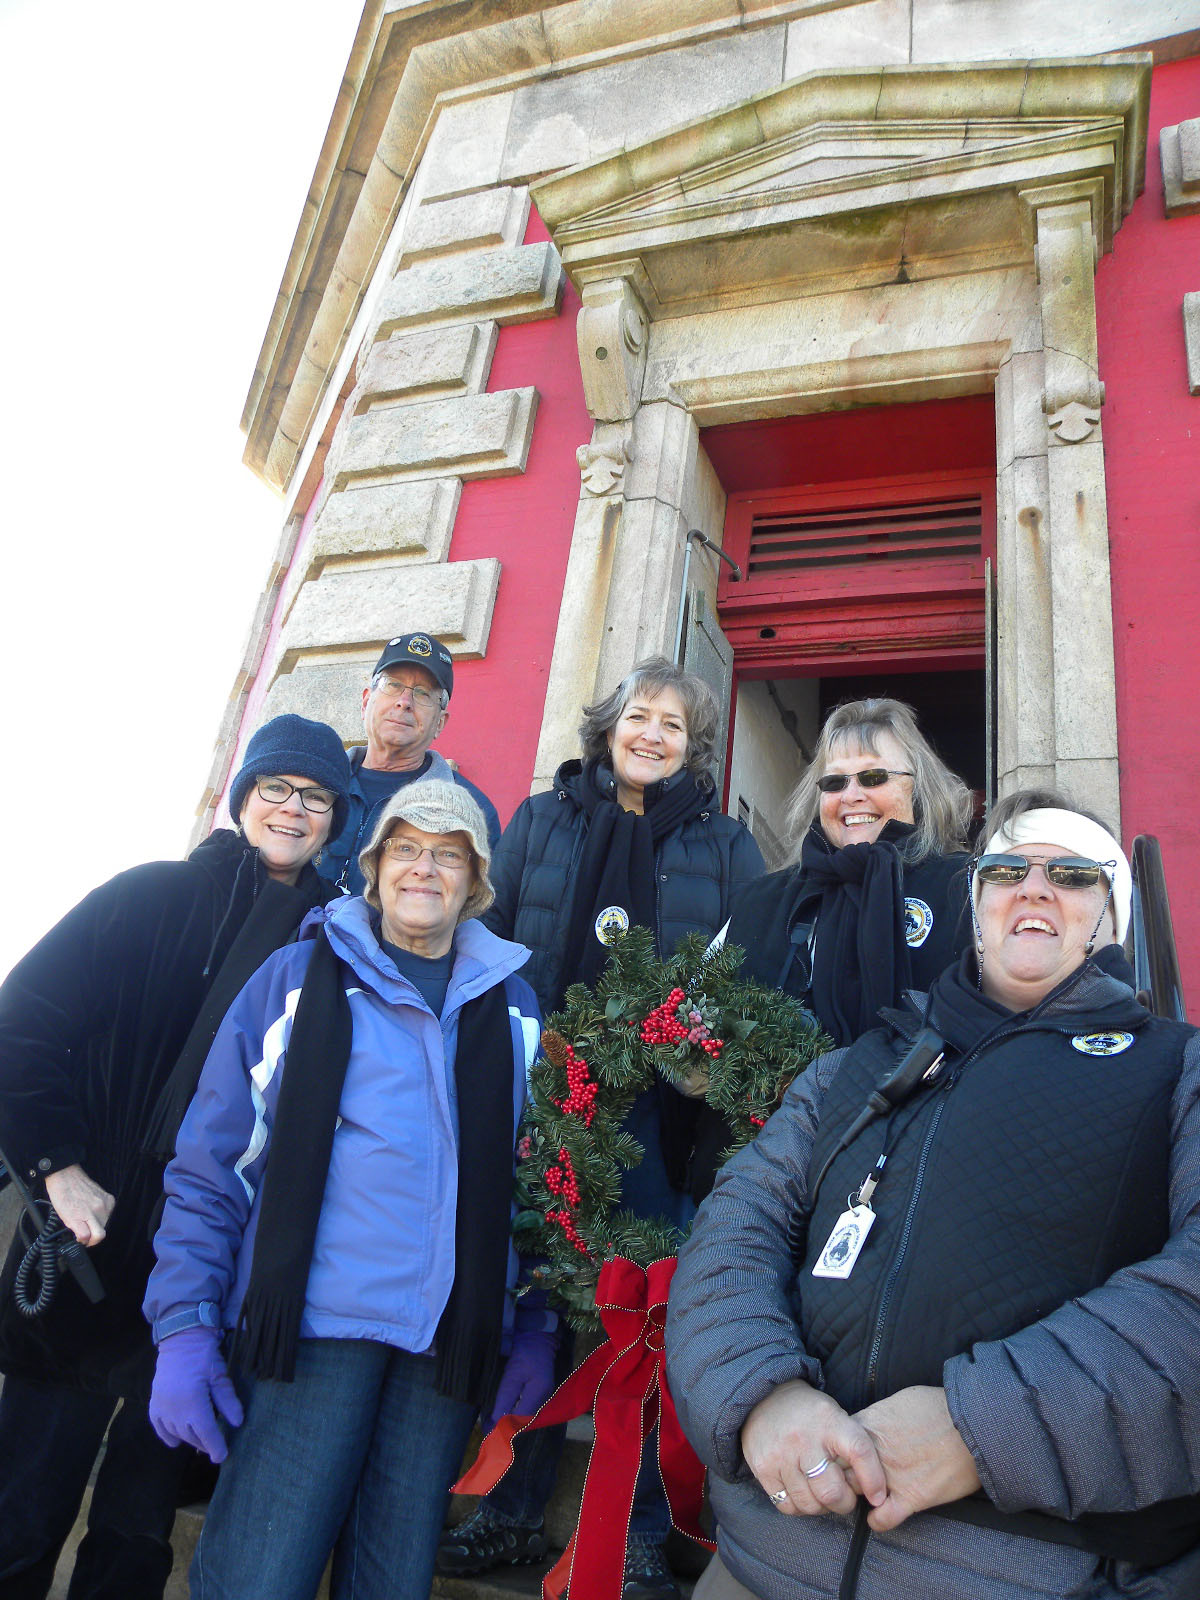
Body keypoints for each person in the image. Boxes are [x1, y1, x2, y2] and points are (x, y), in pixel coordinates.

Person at [665, 789, 1200, 1600]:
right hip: (762, 1557)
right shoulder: (852, 1067)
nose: (1034, 886)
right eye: (1008, 868)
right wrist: (762, 1396)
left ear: (1112, 916)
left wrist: (981, 1426)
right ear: (978, 904)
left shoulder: (1178, 1071)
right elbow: (732, 1235)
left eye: (1074, 873)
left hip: (1018, 1574)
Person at [144, 781, 552, 1600]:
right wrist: (184, 1326)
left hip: (443, 1346)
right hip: (308, 1337)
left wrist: (535, 1325)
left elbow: (540, 1184)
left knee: (392, 1582)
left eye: (448, 853)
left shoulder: (514, 1008)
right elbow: (216, 1160)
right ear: (373, 867)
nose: (424, 869)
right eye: (404, 848)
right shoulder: (296, 979)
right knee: (260, 1576)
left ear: (476, 881)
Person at [0, 714, 351, 1600]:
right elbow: (23, 1024)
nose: (292, 809)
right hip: (84, 1244)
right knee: (23, 1506)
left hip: (205, 1266)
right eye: (275, 788)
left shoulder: (334, 946)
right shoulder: (149, 894)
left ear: (334, 822)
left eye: (314, 798)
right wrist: (58, 1165)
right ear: (243, 799)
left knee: (137, 1530)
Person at [438, 656, 764, 1600]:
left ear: (692, 744)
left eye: (672, 723)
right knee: (538, 1309)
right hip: (538, 1095)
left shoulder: (724, 846)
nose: (652, 733)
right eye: (638, 716)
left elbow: (741, 981)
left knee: (644, 1315)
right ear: (608, 727)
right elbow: (481, 944)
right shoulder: (540, 821)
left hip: (664, 1116)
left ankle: (633, 1530)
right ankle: (508, 1512)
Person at [724, 698, 973, 1048]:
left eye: (874, 777)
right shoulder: (759, 899)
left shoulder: (967, 889)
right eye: (835, 782)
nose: (851, 795)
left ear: (918, 788)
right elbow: (695, 1022)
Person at [318, 631, 501, 893]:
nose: (404, 702)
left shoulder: (472, 810)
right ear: (366, 701)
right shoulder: (317, 781)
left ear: (439, 723)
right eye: (393, 685)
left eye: (423, 693)